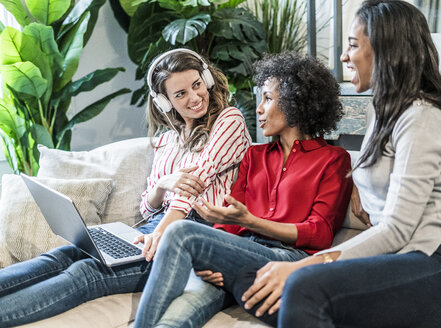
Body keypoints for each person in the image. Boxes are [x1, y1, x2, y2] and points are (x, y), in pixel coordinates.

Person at [233, 1, 441, 327]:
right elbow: (382, 172)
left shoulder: (420, 117)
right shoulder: (379, 112)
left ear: (385, 50)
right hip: (394, 262)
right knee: (249, 279)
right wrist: (357, 186)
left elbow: (397, 228)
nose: (343, 57)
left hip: (440, 265)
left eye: (352, 45)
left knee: (301, 285)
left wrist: (305, 266)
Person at [0, 48, 252, 327]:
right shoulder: (167, 140)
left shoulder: (229, 120)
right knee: (64, 254)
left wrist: (160, 234)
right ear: (165, 102)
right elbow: (148, 206)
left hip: (195, 232)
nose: (194, 97)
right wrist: (162, 185)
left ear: (206, 79)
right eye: (180, 94)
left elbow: (194, 185)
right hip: (156, 226)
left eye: (196, 85)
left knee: (86, 273)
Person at [132, 52, 353, 328]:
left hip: (286, 257)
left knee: (180, 231)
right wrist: (217, 254)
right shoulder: (254, 156)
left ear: (297, 101)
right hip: (242, 253)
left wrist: (250, 222)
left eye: (268, 99)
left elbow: (319, 234)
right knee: (176, 318)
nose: (258, 109)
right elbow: (230, 221)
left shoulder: (333, 159)